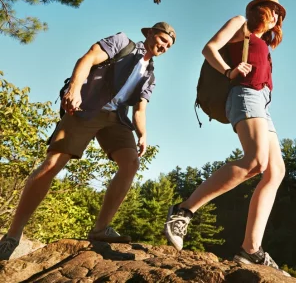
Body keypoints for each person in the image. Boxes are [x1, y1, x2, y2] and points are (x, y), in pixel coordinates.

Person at [0, 22, 176, 260]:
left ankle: (100, 229)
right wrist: (74, 90)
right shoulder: (122, 42)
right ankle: (13, 235)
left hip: (116, 119)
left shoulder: (150, 75)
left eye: (169, 45)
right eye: (163, 39)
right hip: (87, 109)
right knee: (52, 165)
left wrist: (143, 134)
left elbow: (140, 109)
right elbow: (88, 58)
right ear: (152, 34)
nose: (165, 46)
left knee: (131, 163)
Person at [164, 0, 289, 275]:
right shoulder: (240, 25)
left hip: (262, 103)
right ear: (260, 9)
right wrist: (228, 71)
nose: (277, 17)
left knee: (275, 172)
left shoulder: (263, 45)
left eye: (280, 14)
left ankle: (251, 249)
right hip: (244, 95)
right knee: (256, 161)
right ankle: (183, 211)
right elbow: (210, 48)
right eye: (274, 10)